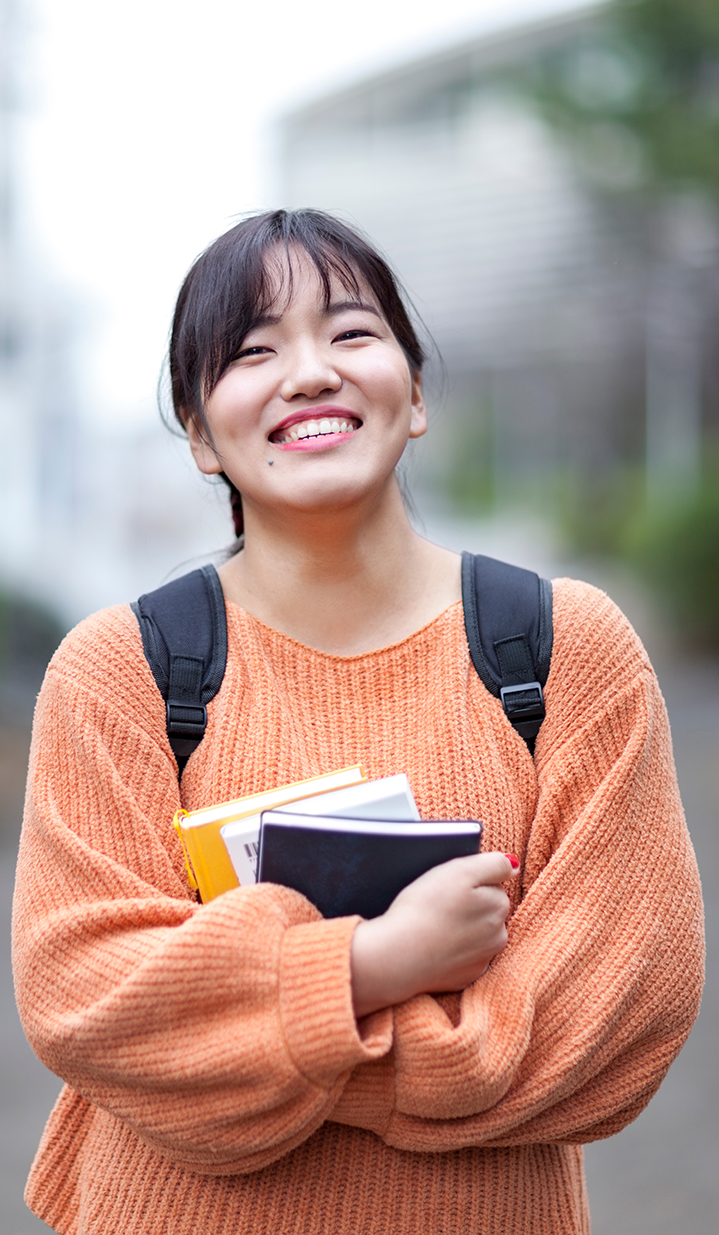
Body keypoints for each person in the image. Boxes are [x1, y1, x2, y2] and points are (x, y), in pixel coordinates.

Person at [13, 209, 704, 1235]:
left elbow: (615, 1012)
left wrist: (243, 1039)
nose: (308, 373)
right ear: (199, 432)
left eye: (349, 333)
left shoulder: (561, 650)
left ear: (414, 392)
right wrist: (369, 966)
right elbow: (86, 995)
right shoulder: (119, 672)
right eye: (252, 350)